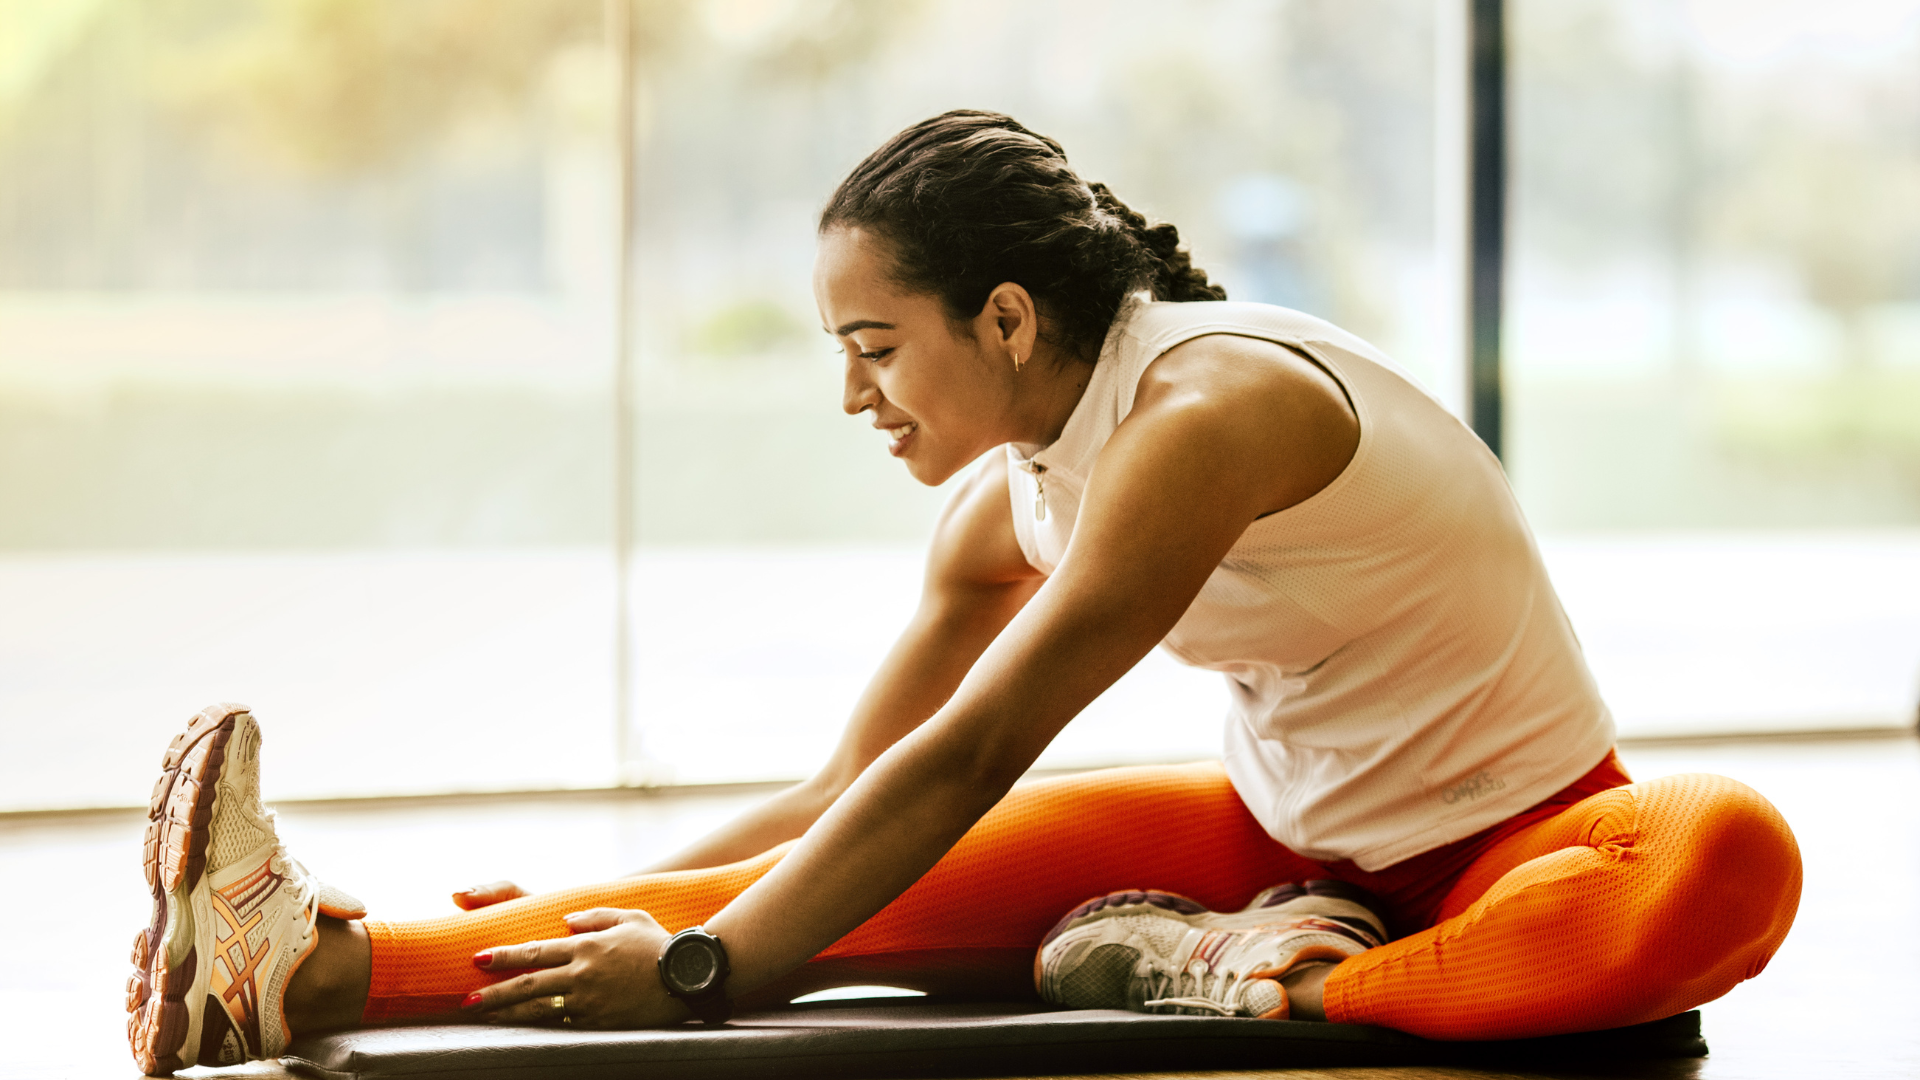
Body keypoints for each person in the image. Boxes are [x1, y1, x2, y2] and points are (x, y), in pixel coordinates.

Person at [125, 110, 1801, 1076]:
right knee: (807, 881)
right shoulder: (1009, 501)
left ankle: (1270, 979)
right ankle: (284, 969)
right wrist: (601, 903)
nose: (855, 396)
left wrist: (713, 973)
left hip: (1528, 843)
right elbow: (848, 799)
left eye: (876, 347)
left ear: (1004, 318)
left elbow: (980, 746)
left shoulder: (1210, 417)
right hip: (1287, 844)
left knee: (1729, 855)